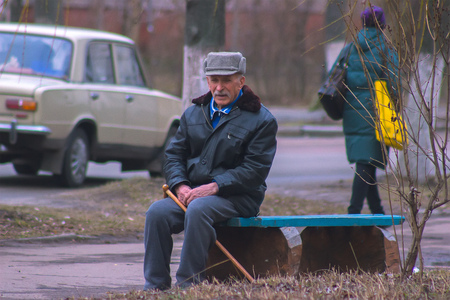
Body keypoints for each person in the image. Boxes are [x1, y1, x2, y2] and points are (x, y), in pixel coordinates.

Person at [143, 52, 278, 290]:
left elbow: (255, 170)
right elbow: (173, 155)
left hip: (238, 197)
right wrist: (180, 185)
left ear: (241, 81)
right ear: (207, 81)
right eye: (214, 80)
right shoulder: (193, 113)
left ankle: (188, 285)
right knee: (157, 212)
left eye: (226, 80)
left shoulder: (262, 120)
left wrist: (216, 186)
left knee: (198, 209)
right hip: (194, 193)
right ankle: (155, 286)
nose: (219, 87)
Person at [334, 6, 400, 214]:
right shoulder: (386, 50)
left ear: (362, 23)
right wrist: (394, 109)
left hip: (352, 110)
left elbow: (334, 76)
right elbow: (394, 85)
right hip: (377, 111)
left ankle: (377, 212)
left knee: (367, 161)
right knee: (366, 161)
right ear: (382, 25)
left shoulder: (350, 48)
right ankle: (352, 213)